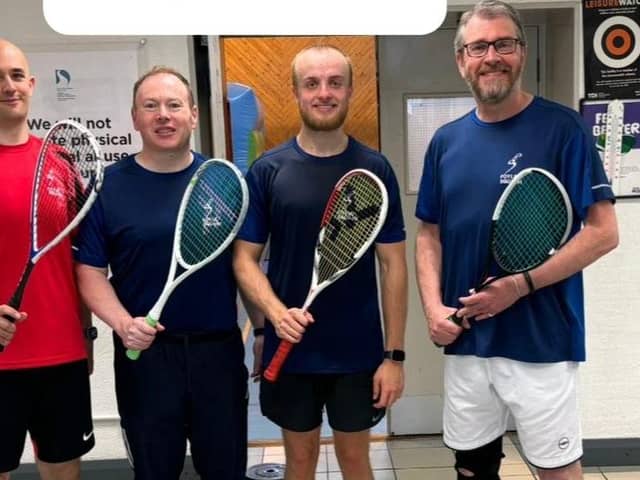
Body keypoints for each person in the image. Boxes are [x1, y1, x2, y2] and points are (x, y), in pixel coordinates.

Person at [414, 2, 619, 479]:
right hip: (467, 340)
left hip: (541, 339)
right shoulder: (444, 142)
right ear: (461, 59)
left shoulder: (563, 128)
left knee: (557, 471)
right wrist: (431, 309)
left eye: (503, 44)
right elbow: (429, 234)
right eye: (479, 47)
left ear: (522, 53)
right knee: (473, 468)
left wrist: (521, 285)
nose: (492, 57)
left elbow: (604, 232)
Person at [233, 45, 408, 480]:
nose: (323, 92)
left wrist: (395, 356)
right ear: (295, 91)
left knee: (355, 461)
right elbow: (244, 260)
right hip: (292, 353)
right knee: (300, 460)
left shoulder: (374, 169)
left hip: (357, 353)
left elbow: (394, 267)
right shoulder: (268, 171)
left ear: (350, 91)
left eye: (335, 82)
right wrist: (274, 317)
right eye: (312, 83)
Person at [74, 66, 256, 480]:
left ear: (193, 114)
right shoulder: (108, 186)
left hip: (218, 355)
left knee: (226, 472)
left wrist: (262, 332)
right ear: (135, 118)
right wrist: (123, 324)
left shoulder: (224, 183)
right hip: (147, 360)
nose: (163, 115)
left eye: (174, 105)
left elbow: (245, 267)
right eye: (150, 106)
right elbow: (89, 269)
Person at [0, 39, 95, 480]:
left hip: (62, 356)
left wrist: (86, 336)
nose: (8, 86)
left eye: (16, 75)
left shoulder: (58, 162)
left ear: (32, 83)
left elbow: (80, 260)